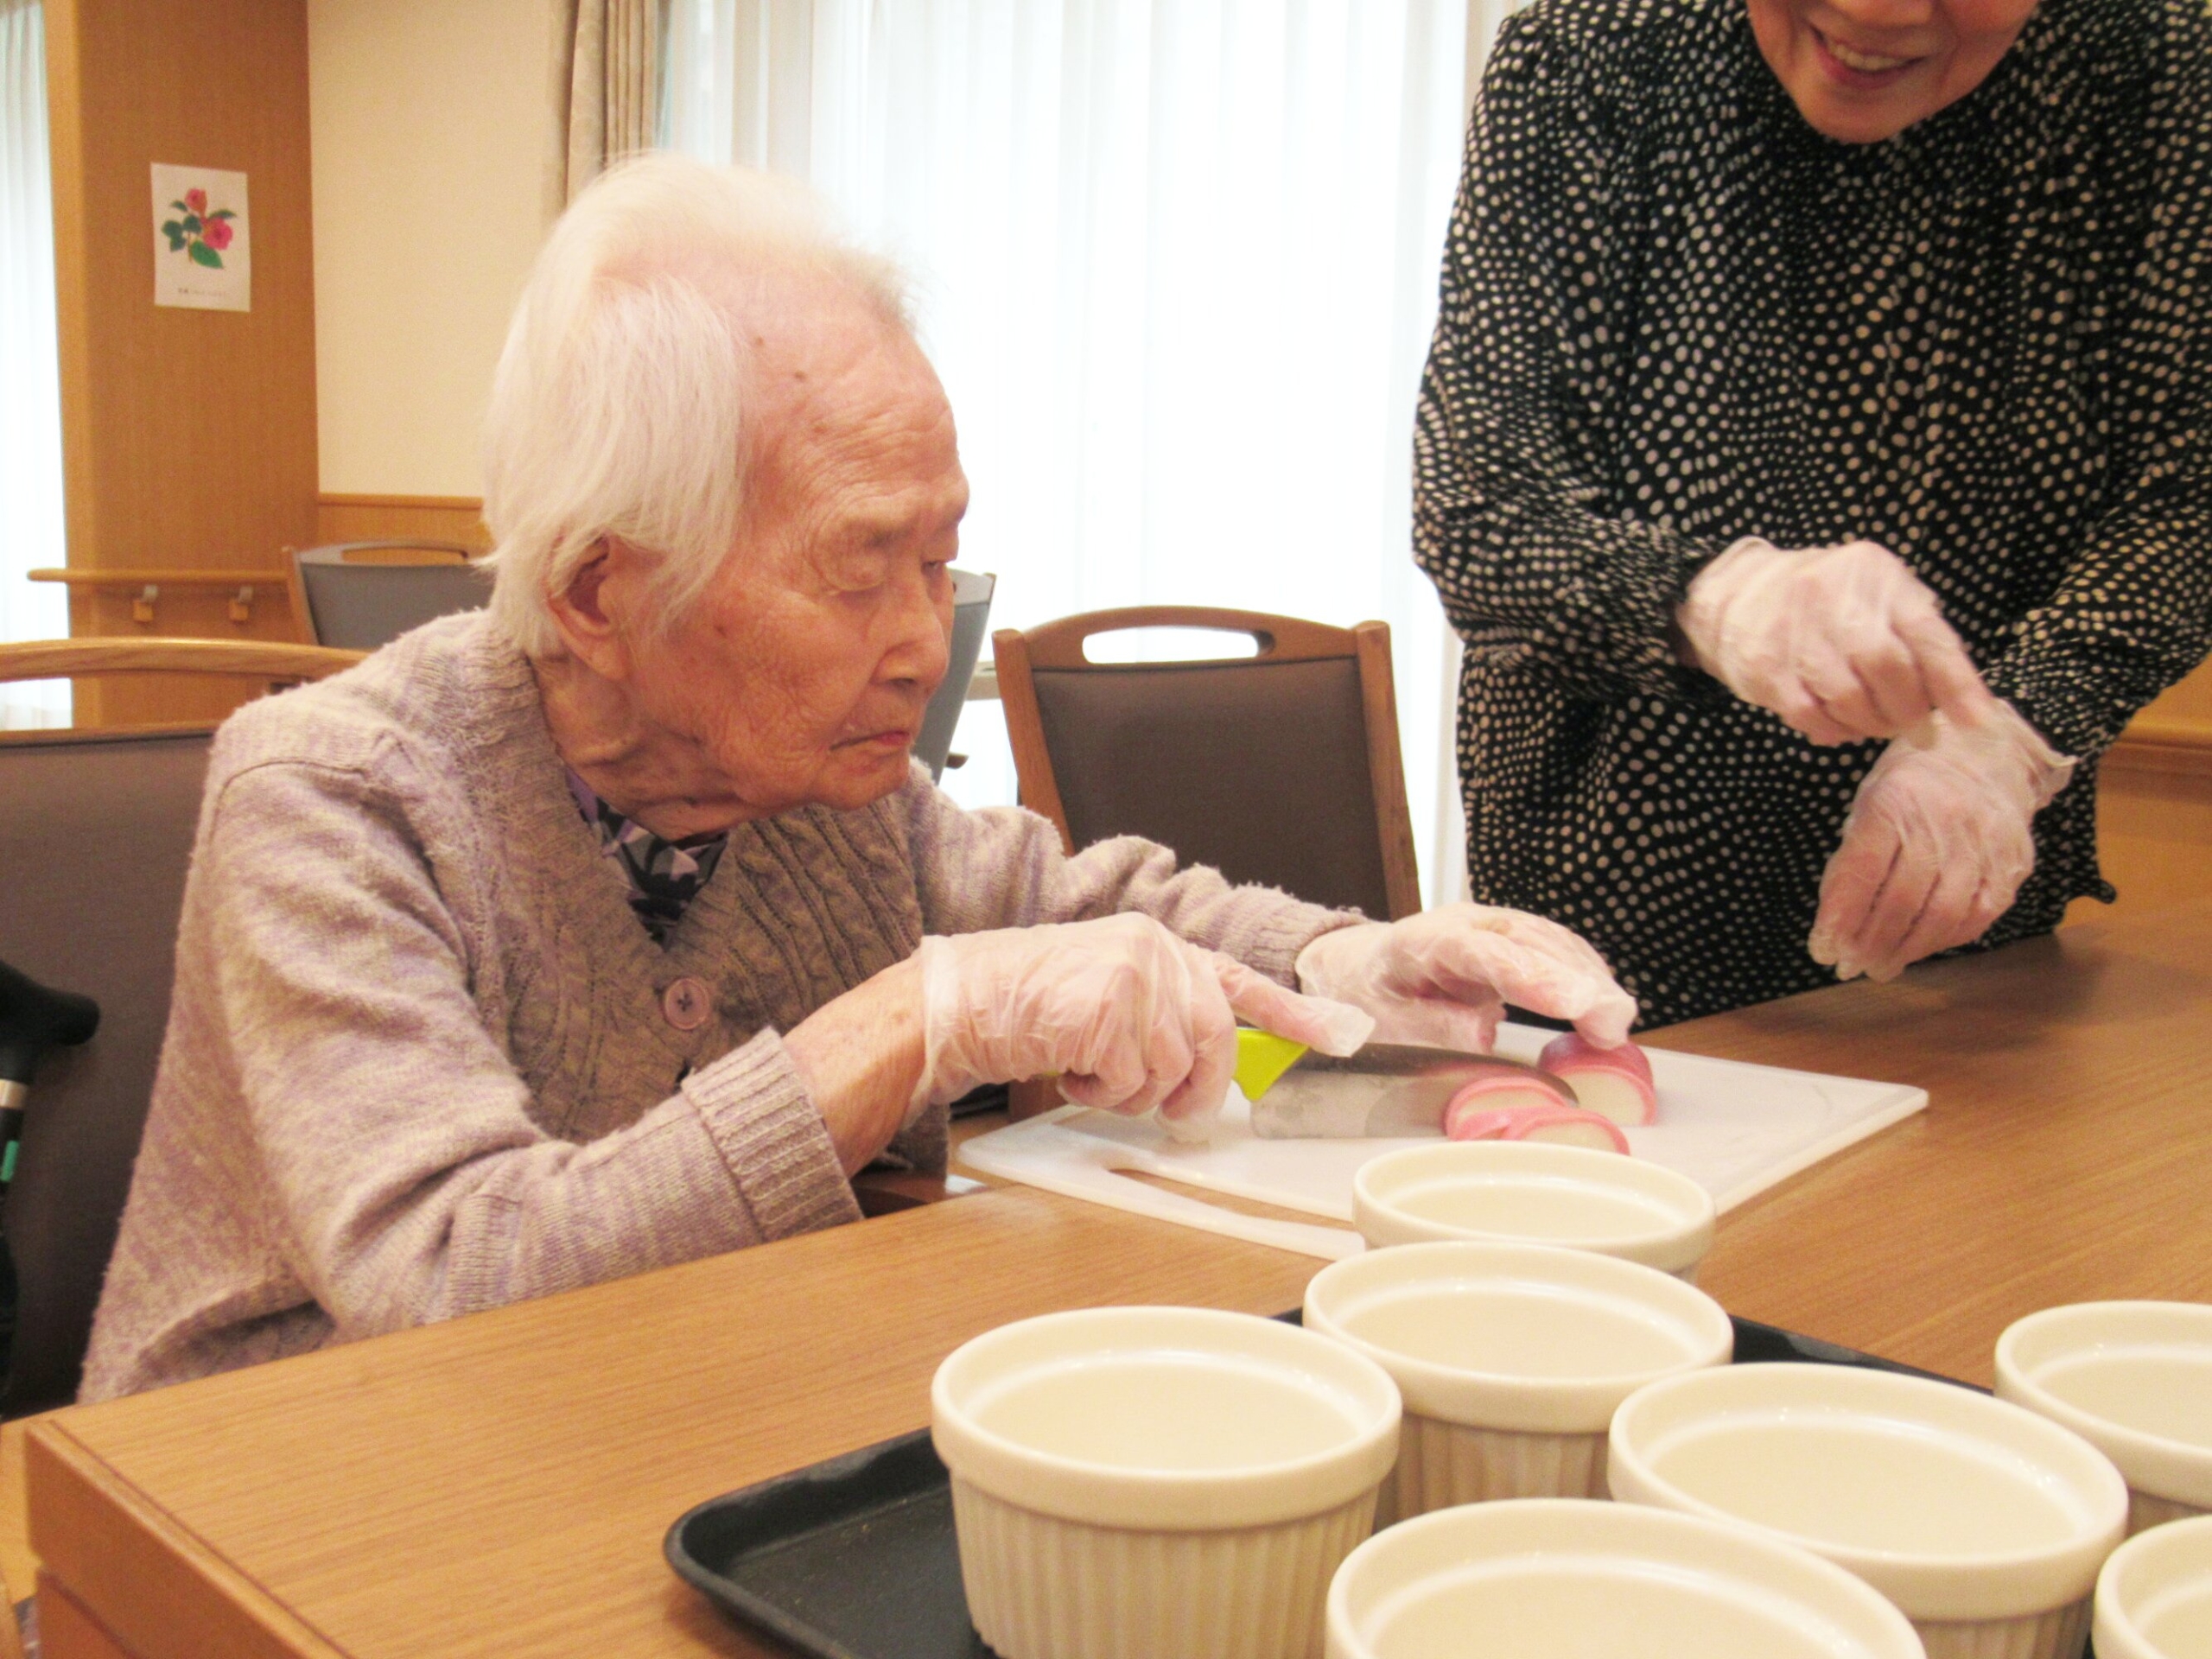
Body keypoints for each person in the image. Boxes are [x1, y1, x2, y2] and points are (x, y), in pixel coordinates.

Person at [82, 157, 1634, 1402]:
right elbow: (447, 1282)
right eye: (858, 571)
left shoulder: (829, 793)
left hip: (647, 1416)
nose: (923, 638)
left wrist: (1342, 964)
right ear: (599, 594)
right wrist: (921, 1018)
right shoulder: (331, 799)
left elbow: (1084, 906)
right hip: (269, 1485)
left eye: (942, 558)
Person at [1414, 0, 2210, 1027]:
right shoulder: (1594, 52)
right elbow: (1477, 502)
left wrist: (2009, 739)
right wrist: (1713, 602)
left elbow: (2188, 497)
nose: (1877, 11)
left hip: (1968, 946)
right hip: (1620, 922)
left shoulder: (2155, 69)